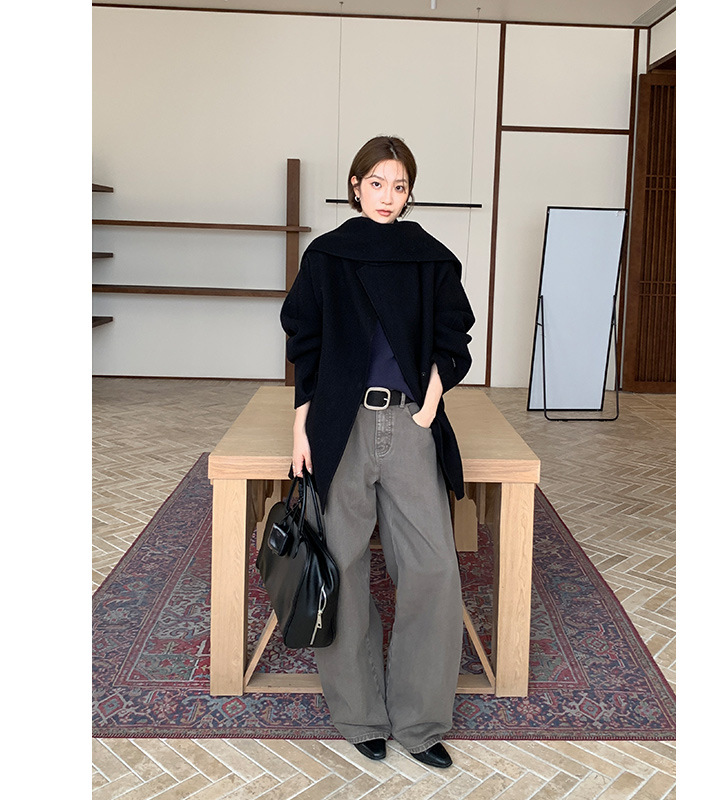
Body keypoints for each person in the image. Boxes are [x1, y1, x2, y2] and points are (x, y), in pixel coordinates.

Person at [280, 135, 475, 769]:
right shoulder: (326, 256)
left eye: (399, 185)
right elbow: (305, 346)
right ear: (355, 185)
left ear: (409, 192)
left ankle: (420, 722)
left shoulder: (430, 257)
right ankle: (360, 714)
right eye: (376, 183)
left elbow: (453, 337)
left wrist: (430, 404)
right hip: (340, 425)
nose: (387, 196)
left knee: (432, 569)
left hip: (410, 421)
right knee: (341, 567)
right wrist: (301, 428)